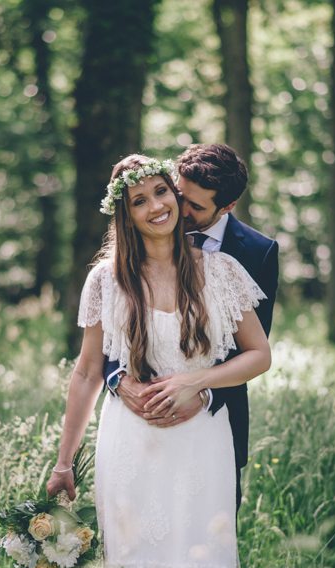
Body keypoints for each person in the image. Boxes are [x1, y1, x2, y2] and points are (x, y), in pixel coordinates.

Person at [46, 154, 270, 568]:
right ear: (124, 214)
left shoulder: (221, 270)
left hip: (201, 442)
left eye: (161, 193)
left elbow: (260, 355)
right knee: (134, 566)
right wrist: (64, 463)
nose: (155, 207)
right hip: (130, 443)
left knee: (204, 563)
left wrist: (200, 382)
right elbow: (86, 372)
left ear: (176, 195)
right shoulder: (105, 279)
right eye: (138, 201)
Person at [103, 144, 279, 510]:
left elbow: (249, 350)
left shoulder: (257, 253)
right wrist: (121, 380)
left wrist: (202, 392)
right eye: (179, 194)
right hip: (138, 419)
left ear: (226, 207)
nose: (178, 210)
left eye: (196, 207)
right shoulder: (145, 225)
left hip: (214, 418)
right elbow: (107, 329)